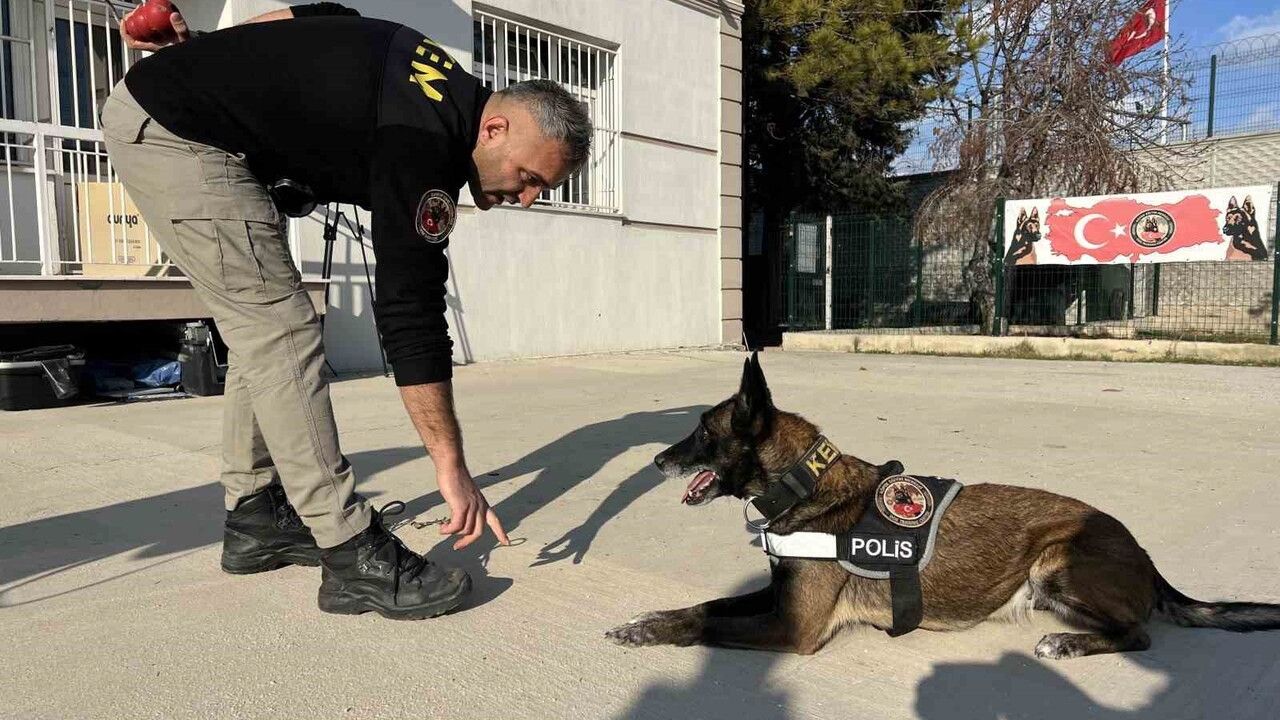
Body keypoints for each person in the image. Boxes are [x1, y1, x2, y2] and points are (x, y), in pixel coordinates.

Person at [102, 2, 592, 620]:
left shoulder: (430, 71)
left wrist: (206, 49)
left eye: (540, 189)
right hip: (178, 133)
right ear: (493, 130)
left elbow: (323, 14)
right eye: (527, 177)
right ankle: (349, 550)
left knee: (270, 328)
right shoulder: (423, 142)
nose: (525, 197)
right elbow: (409, 311)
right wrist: (452, 466)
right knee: (279, 329)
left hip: (186, 116)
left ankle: (256, 516)